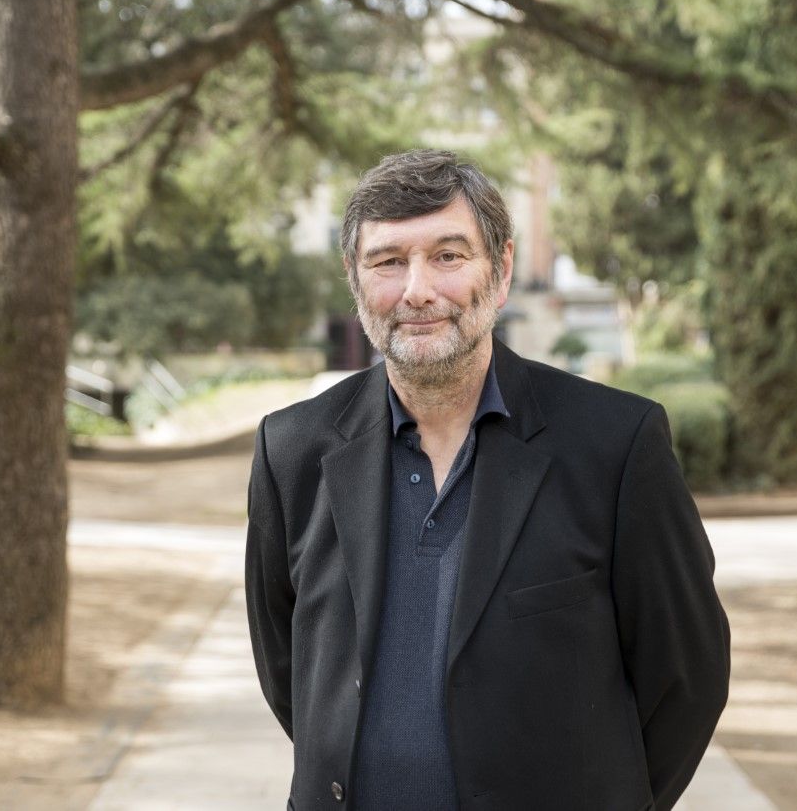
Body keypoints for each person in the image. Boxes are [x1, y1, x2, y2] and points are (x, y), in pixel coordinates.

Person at [246, 149, 730, 811]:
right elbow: (291, 673)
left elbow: (686, 677)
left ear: (500, 272)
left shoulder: (616, 446)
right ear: (355, 280)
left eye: (448, 255)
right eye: (388, 261)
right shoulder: (291, 450)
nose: (417, 289)